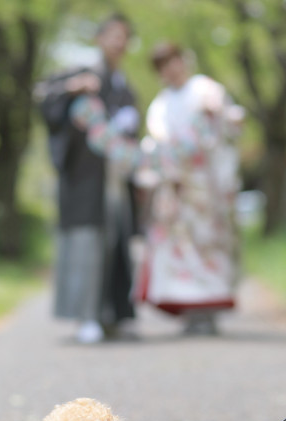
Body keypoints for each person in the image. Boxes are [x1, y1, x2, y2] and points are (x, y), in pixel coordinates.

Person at [69, 43, 244, 335]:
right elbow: (157, 146)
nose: (171, 69)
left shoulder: (206, 89)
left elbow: (227, 126)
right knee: (180, 247)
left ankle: (208, 310)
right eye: (164, 65)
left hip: (203, 184)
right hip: (173, 183)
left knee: (206, 243)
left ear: (184, 60)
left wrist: (221, 117)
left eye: (174, 61)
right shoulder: (160, 106)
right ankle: (189, 311)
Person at [35, 13, 140, 344]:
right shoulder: (80, 72)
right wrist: (71, 88)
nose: (117, 41)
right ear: (99, 38)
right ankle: (86, 315)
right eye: (112, 34)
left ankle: (110, 313)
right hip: (83, 179)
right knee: (86, 244)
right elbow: (42, 96)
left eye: (123, 36)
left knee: (113, 243)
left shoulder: (124, 86)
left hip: (114, 179)